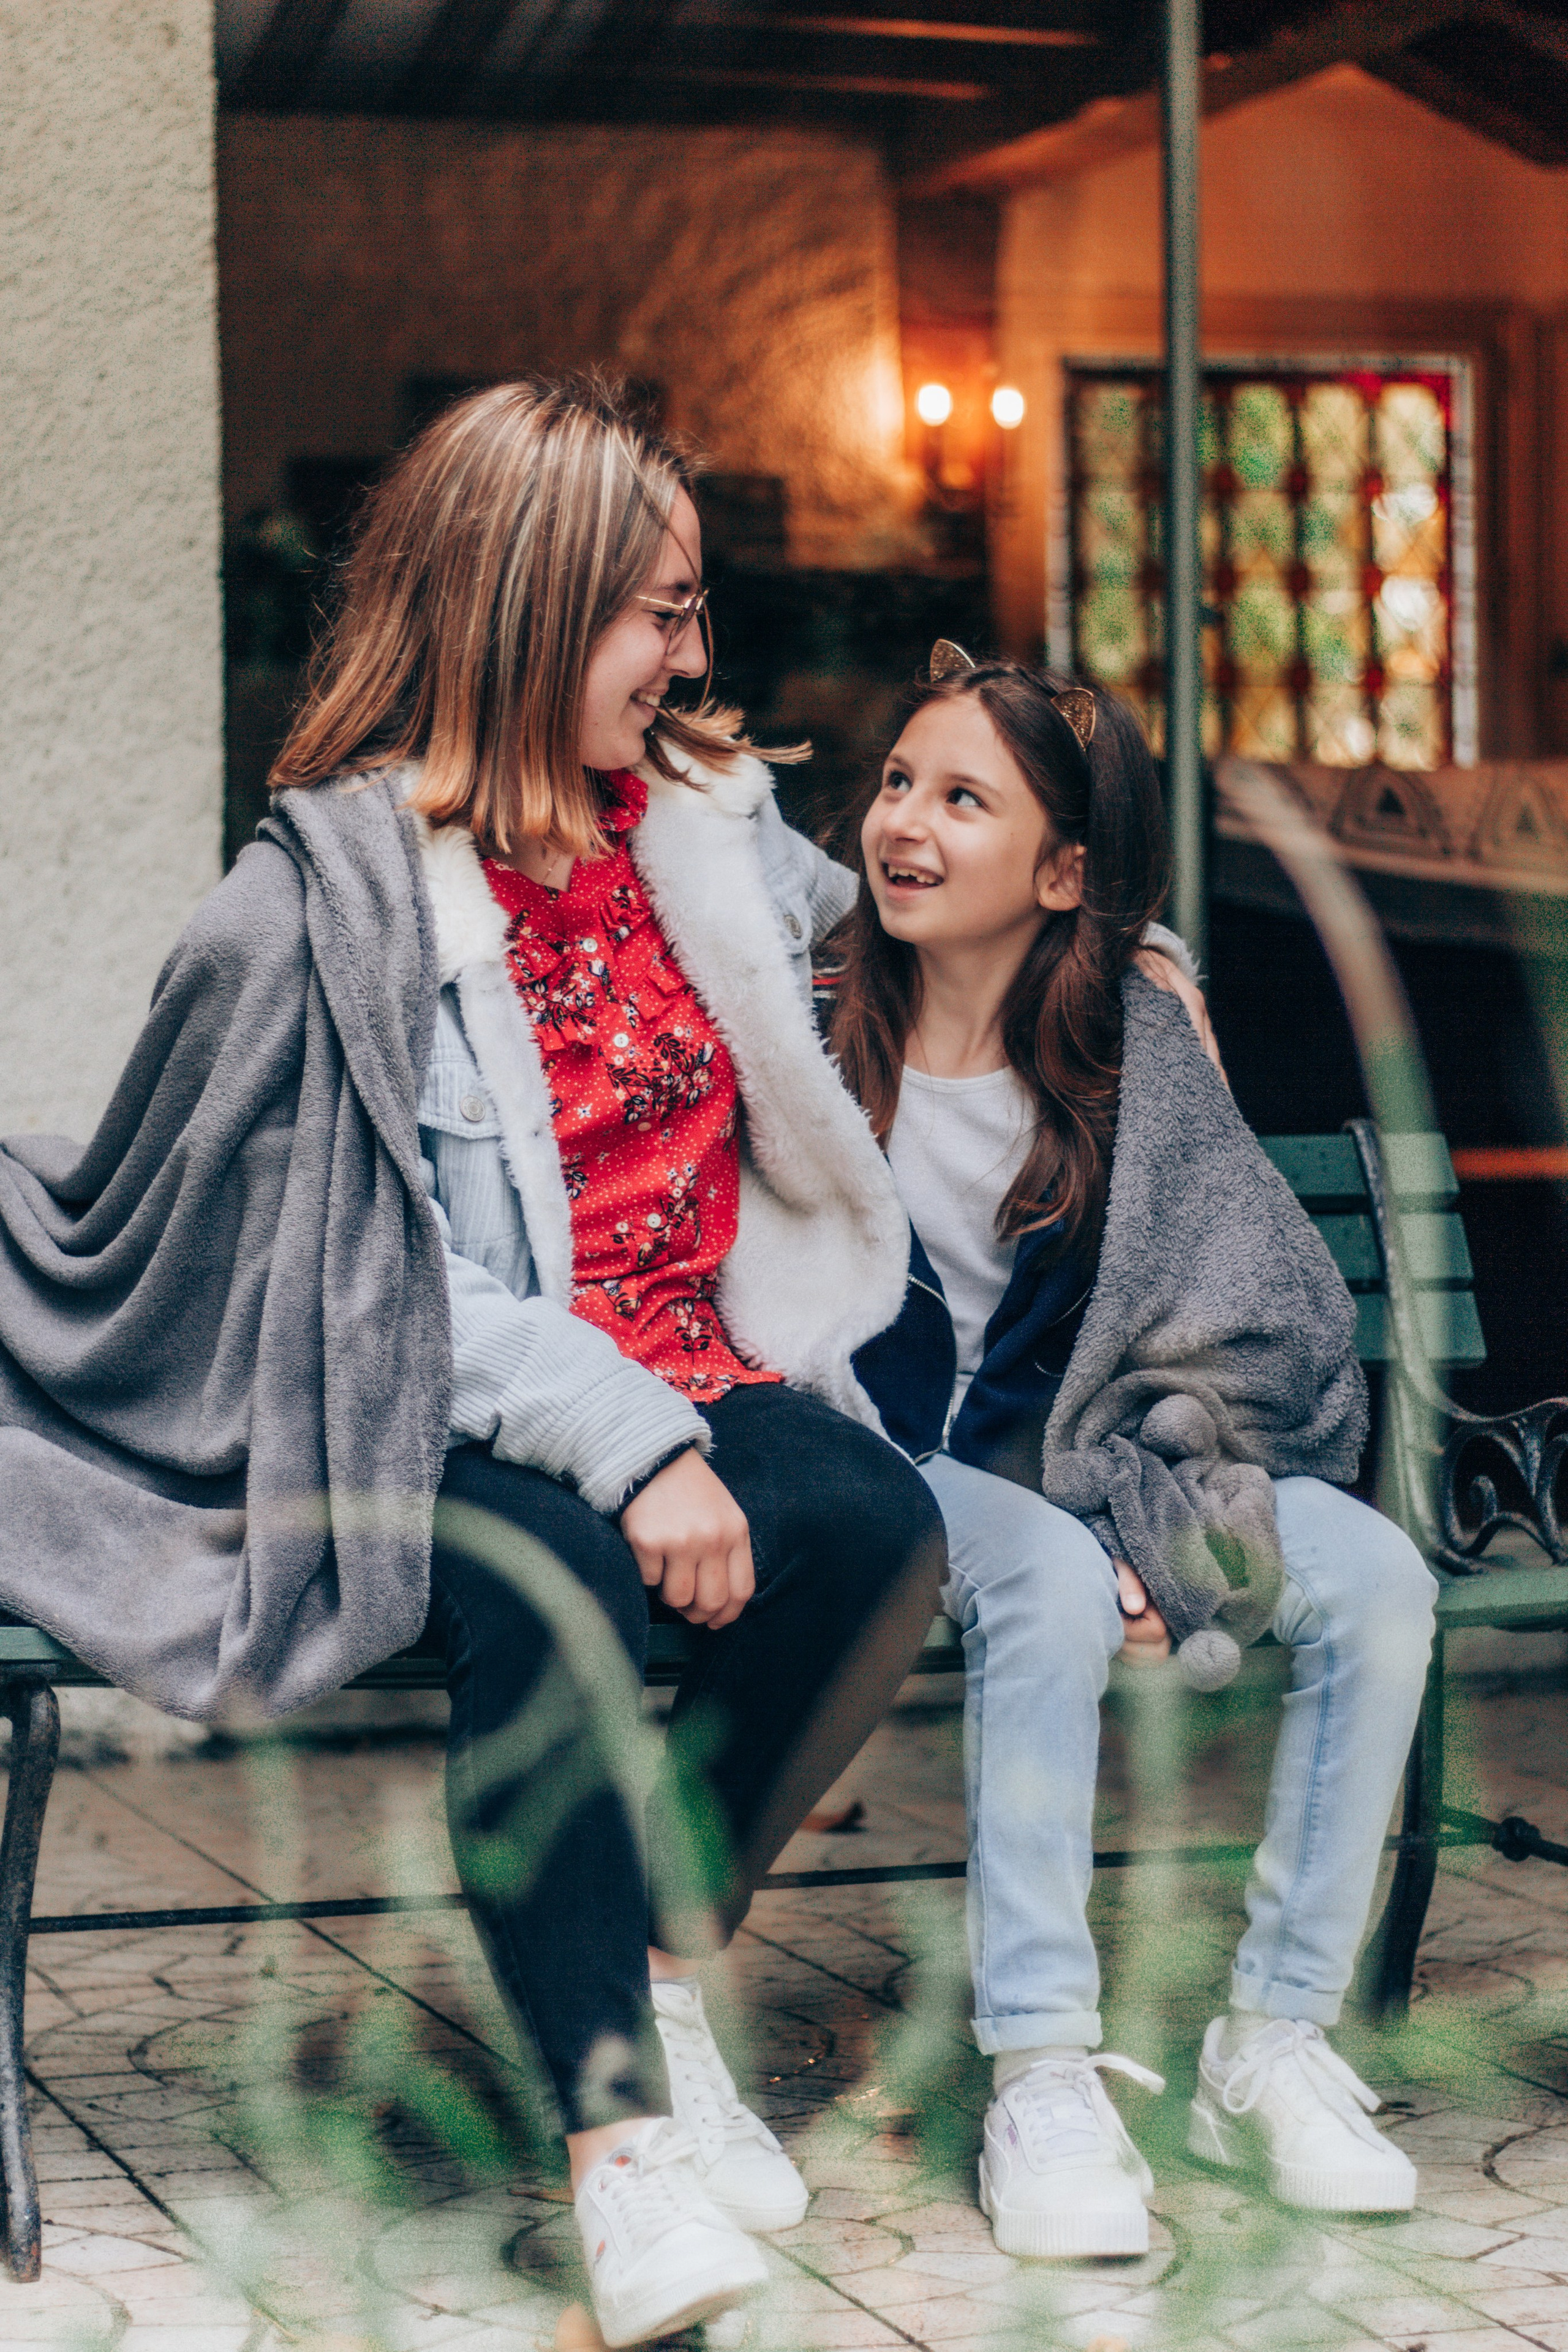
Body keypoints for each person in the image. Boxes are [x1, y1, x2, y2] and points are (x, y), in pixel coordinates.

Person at [0, 379, 944, 2346]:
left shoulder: (696, 834)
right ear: (525, 605)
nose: (695, 654)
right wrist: (618, 1437)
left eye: (694, 609)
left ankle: (660, 1969)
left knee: (868, 1521)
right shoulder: (316, 911)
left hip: (696, 1362)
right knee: (560, 1578)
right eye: (655, 612)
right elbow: (356, 1277)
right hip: (427, 1400)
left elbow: (892, 972)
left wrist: (1117, 959)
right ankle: (619, 2159)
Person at [832, 644, 1437, 2260]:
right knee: (1042, 1575)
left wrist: (1166, 1523)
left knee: (1376, 1578)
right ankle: (1039, 2065)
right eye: (899, 784)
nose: (908, 824)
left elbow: (1248, 1311)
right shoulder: (813, 1025)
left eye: (966, 799)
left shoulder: (1131, 1046)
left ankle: (1273, 2040)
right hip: (882, 1467)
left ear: (1064, 868)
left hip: (1110, 1474)